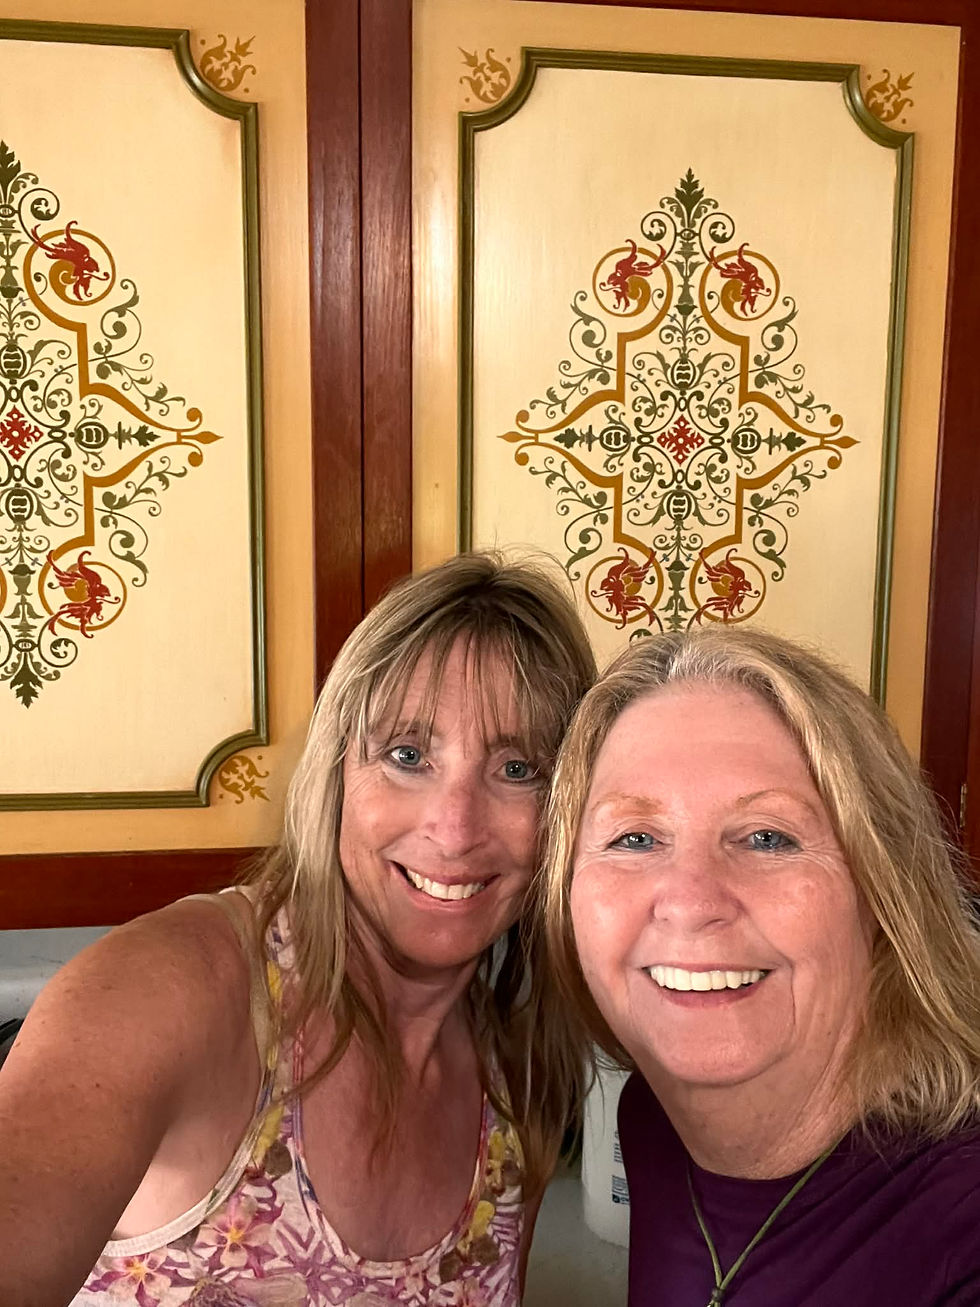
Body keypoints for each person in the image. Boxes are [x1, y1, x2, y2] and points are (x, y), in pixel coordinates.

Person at [0, 551, 596, 1307]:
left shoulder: (520, 1078)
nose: (455, 829)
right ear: (337, 771)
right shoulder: (179, 988)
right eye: (408, 755)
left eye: (519, 769)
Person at [541, 626, 980, 1305]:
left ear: (883, 888)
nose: (690, 901)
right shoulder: (656, 1122)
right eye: (633, 837)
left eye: (768, 837)